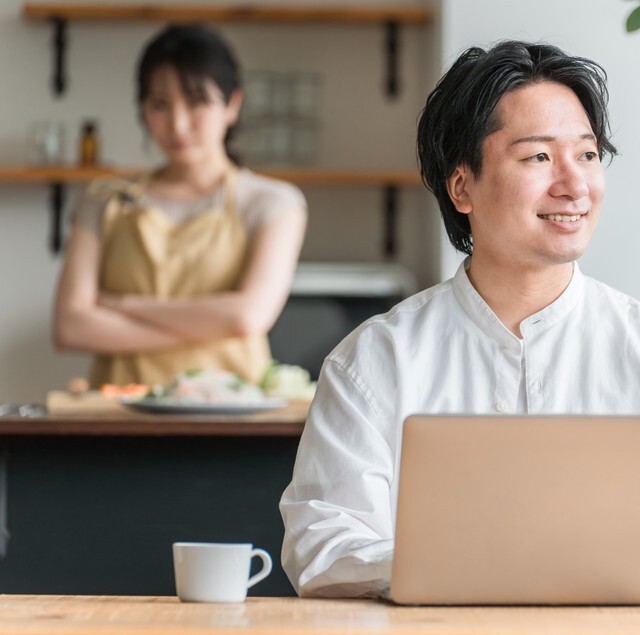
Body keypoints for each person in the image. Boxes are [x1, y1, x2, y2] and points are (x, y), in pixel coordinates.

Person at [280, 40, 640, 598]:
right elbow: (323, 546)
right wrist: (472, 560)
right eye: (538, 157)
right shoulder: (377, 359)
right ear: (462, 185)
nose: (574, 184)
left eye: (588, 155)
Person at [54, 24, 307, 388]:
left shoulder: (274, 202)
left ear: (232, 105)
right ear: (142, 110)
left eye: (196, 101)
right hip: (118, 416)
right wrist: (211, 324)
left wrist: (121, 305)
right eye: (160, 104)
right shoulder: (103, 200)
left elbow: (247, 317)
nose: (178, 123)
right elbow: (70, 326)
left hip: (233, 417)